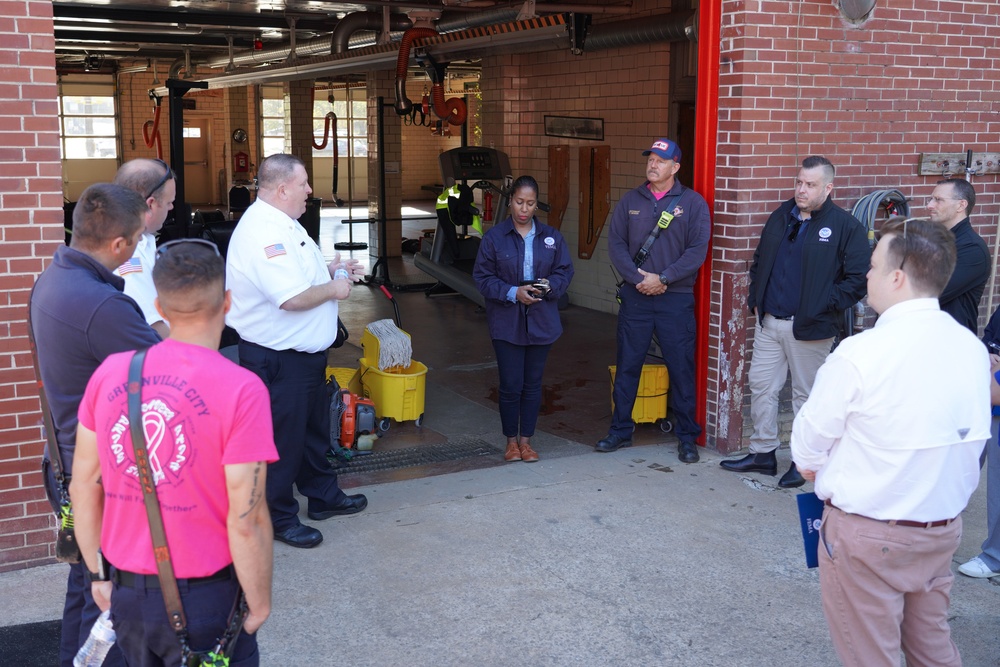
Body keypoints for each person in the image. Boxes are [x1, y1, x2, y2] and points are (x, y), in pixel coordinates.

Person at [791, 216, 990, 667]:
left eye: (874, 265)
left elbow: (807, 443)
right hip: (940, 530)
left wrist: (813, 467)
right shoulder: (970, 348)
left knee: (870, 656)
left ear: (898, 277)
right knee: (933, 648)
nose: (866, 274)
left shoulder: (862, 353)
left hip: (868, 533)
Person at [71, 239, 276, 665]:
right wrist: (259, 603)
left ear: (159, 308)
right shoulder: (242, 389)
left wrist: (97, 575)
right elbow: (247, 517)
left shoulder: (112, 372)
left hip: (128, 596)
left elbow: (83, 486)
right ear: (228, 302)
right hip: (208, 600)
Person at [30, 183, 161, 666]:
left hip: (64, 463)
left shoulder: (52, 277)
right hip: (99, 478)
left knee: (86, 587)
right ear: (120, 245)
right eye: (139, 239)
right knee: (115, 602)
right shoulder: (104, 307)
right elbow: (161, 379)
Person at [226, 153, 367, 549]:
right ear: (282, 187)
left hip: (303, 360)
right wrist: (336, 289)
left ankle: (323, 497)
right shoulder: (263, 232)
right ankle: (280, 518)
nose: (309, 190)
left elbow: (300, 275)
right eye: (304, 183)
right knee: (282, 443)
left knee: (311, 433)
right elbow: (289, 298)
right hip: (278, 360)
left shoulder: (286, 225)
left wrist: (331, 269)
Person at [719, 156, 870, 488]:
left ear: (828, 188)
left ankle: (804, 463)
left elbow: (858, 280)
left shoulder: (846, 227)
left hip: (810, 329)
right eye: (799, 182)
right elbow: (760, 260)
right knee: (761, 388)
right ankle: (762, 453)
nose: (801, 190)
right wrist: (756, 300)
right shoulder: (781, 216)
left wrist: (820, 307)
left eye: (810, 184)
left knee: (806, 397)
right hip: (769, 323)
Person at [596, 138, 711, 463]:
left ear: (675, 167)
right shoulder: (631, 200)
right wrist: (638, 279)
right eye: (651, 158)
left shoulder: (692, 204)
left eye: (661, 160)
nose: (653, 164)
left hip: (674, 300)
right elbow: (616, 243)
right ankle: (620, 430)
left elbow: (697, 251)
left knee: (681, 368)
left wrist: (663, 278)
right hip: (636, 298)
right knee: (629, 364)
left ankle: (687, 436)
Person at [473, 175, 574, 463]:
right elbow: (482, 278)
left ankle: (527, 442)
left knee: (533, 384)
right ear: (511, 202)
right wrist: (512, 292)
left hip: (542, 320)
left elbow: (565, 271)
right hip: (507, 322)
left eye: (530, 204)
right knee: (510, 384)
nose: (524, 209)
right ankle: (510, 442)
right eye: (519, 202)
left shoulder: (552, 237)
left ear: (536, 205)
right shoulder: (495, 237)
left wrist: (549, 286)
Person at [112, 158, 177, 338]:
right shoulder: (129, 253)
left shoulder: (141, 239)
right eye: (169, 202)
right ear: (150, 204)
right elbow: (157, 329)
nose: (172, 207)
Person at [957, 306, 1000, 578]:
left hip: (993, 396)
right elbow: (989, 336)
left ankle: (995, 555)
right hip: (984, 398)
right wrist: (987, 354)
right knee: (957, 468)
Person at [925, 177, 990, 333]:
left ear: (961, 205)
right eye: (931, 199)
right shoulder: (933, 240)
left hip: (951, 345)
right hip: (925, 338)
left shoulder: (972, 249)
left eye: (938, 200)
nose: (929, 205)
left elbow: (928, 293)